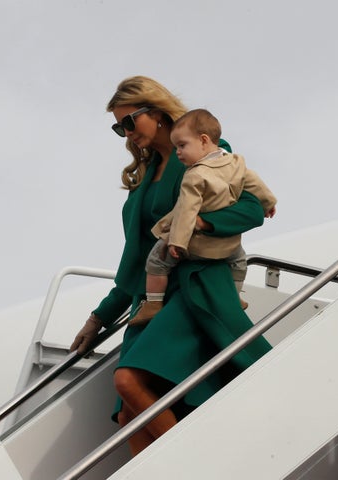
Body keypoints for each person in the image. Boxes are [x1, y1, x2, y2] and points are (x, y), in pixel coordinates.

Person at [69, 76, 272, 456]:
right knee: (128, 417)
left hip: (194, 287)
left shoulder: (206, 153)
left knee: (129, 381)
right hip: (150, 298)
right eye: (119, 128)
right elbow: (134, 262)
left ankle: (193, 466)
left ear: (157, 112)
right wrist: (99, 318)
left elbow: (251, 208)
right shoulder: (143, 179)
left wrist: (204, 223)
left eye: (130, 122)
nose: (127, 134)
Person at [130, 108, 277, 326]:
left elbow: (187, 210)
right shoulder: (235, 162)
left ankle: (153, 303)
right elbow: (253, 182)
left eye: (182, 145)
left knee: (156, 260)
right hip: (226, 244)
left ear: (203, 140)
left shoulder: (195, 175)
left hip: (196, 244)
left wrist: (177, 242)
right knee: (239, 261)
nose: (178, 152)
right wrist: (268, 202)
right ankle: (235, 296)